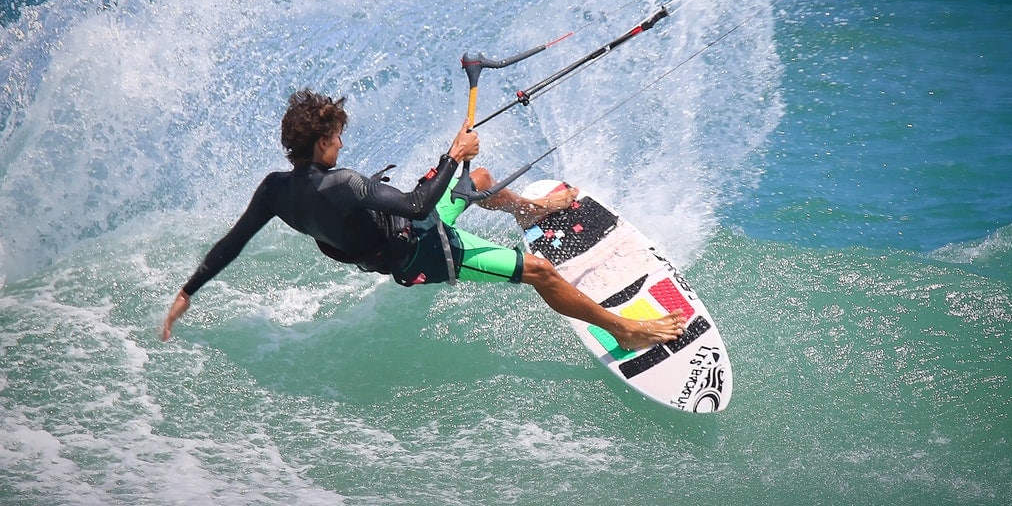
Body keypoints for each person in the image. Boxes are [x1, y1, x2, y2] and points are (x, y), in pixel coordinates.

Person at [160, 89, 686, 351]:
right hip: (421, 251)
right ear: (320, 143)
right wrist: (453, 153)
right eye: (337, 136)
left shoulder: (276, 189)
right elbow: (416, 207)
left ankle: (534, 208)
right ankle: (627, 330)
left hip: (406, 233)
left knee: (478, 184)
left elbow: (233, 242)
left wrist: (190, 289)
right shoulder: (341, 183)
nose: (342, 142)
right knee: (540, 272)